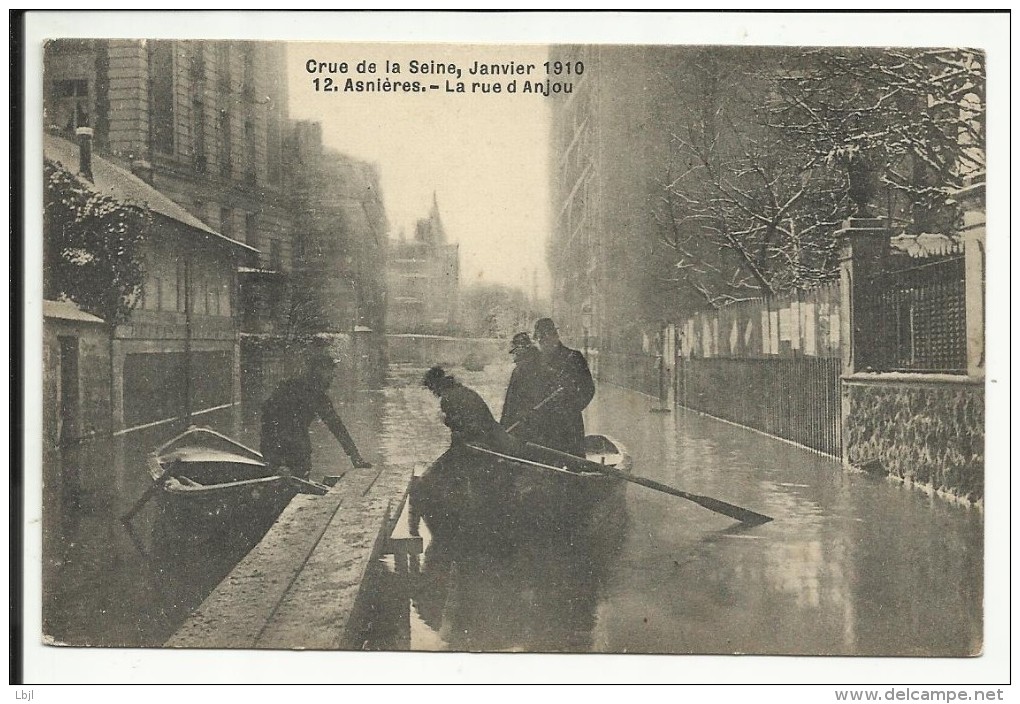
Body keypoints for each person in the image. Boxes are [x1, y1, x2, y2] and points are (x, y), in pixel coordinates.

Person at [260, 352, 372, 480]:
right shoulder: (296, 390)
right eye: (329, 371)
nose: (333, 376)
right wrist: (277, 462)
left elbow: (336, 426)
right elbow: (269, 424)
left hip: (293, 452)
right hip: (283, 452)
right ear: (318, 370)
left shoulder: (312, 393)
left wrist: (355, 456)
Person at [530, 317, 596, 458]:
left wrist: (571, 408)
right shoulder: (537, 361)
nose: (542, 342)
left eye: (545, 337)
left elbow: (588, 389)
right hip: (544, 426)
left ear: (555, 336)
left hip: (569, 424)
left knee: (573, 462)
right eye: (540, 339)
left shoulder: (574, 358)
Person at [499, 332, 546, 434]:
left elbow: (510, 403)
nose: (514, 357)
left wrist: (503, 428)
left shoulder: (520, 370)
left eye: (515, 353)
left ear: (521, 350)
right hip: (536, 424)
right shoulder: (542, 366)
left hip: (521, 425)